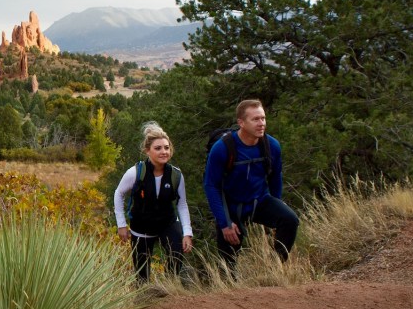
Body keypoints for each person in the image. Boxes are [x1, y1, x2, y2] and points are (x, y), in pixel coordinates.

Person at [203, 99, 299, 267]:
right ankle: (230, 287)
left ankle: (275, 267)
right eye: (255, 119)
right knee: (229, 263)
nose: (261, 123)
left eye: (263, 118)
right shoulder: (222, 148)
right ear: (241, 122)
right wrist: (225, 223)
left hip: (259, 201)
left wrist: (276, 207)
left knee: (290, 220)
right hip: (231, 206)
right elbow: (211, 186)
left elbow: (275, 177)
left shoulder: (272, 145)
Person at [114, 122, 193, 281]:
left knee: (176, 254)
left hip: (167, 222)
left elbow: (182, 204)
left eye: (166, 147)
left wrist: (187, 232)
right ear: (147, 151)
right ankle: (144, 299)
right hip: (141, 226)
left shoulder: (176, 175)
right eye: (158, 148)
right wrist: (121, 224)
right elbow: (118, 194)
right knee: (142, 271)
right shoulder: (136, 172)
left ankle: (170, 289)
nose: (164, 151)